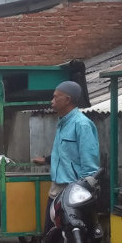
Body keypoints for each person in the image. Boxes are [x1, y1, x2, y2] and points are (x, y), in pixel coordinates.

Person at [32, 80, 100, 234]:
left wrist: (80, 194)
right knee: (50, 235)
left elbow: (90, 166)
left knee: (69, 238)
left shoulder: (82, 125)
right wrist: (47, 160)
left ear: (68, 100)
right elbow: (65, 153)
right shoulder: (63, 122)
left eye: (56, 97)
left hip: (72, 191)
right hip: (56, 188)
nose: (52, 101)